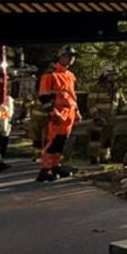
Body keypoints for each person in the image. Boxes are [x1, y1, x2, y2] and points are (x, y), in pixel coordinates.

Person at [37, 46, 80, 182]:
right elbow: (43, 96)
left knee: (61, 142)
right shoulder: (50, 74)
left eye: (73, 56)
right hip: (58, 113)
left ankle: (56, 166)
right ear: (60, 56)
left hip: (69, 113)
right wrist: (52, 112)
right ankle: (45, 169)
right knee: (53, 141)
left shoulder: (70, 75)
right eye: (68, 56)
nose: (71, 58)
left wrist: (77, 111)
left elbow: (72, 96)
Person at [86, 64, 127, 165]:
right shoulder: (96, 88)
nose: (114, 77)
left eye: (115, 75)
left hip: (111, 119)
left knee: (108, 140)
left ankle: (104, 158)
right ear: (106, 75)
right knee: (95, 139)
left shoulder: (117, 89)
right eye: (112, 75)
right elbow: (91, 104)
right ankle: (94, 158)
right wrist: (96, 116)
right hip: (99, 118)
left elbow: (122, 102)